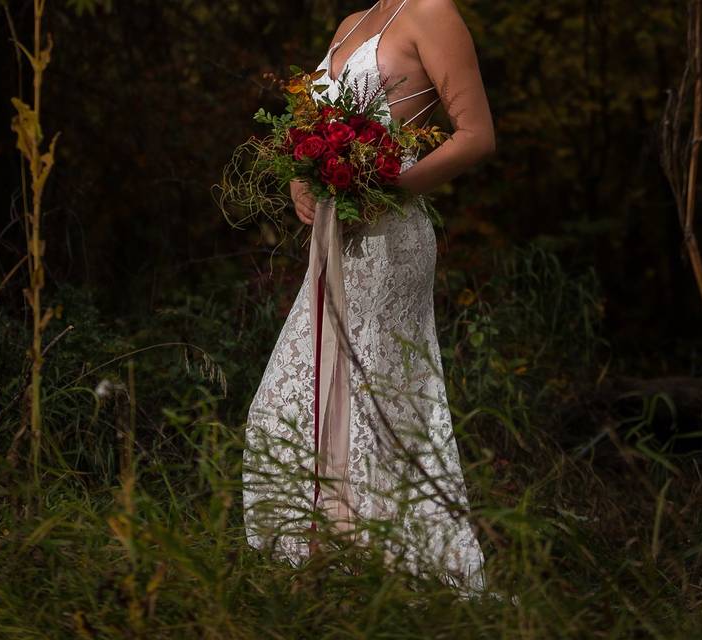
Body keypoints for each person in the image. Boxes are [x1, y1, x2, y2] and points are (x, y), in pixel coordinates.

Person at [242, 0, 496, 597]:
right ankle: (323, 560)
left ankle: (390, 569)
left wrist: (392, 188)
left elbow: (478, 135)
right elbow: (313, 132)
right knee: (293, 402)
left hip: (390, 234)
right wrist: (301, 179)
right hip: (336, 235)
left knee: (375, 400)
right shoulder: (351, 22)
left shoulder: (432, 11)